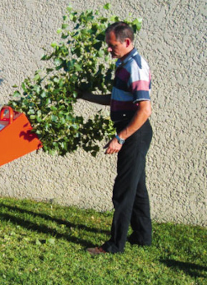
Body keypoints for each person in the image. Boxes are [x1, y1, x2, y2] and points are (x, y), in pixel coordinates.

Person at [79, 22, 153, 254]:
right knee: (136, 187)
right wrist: (84, 95)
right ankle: (142, 236)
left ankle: (114, 245)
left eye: (112, 46)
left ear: (127, 42)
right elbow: (116, 99)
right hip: (131, 130)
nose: (108, 50)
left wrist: (120, 138)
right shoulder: (125, 64)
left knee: (123, 190)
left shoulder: (136, 68)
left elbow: (144, 110)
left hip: (134, 132)